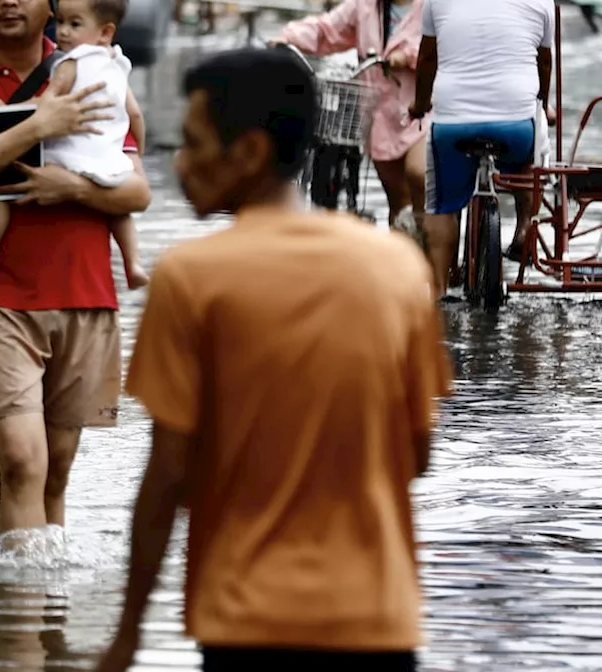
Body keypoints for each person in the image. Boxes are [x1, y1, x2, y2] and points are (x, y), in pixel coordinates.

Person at [96, 48, 453, 672]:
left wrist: (126, 636)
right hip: (377, 618)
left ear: (252, 153)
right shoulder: (396, 267)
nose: (179, 164)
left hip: (246, 618)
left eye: (194, 144)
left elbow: (168, 475)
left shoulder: (192, 278)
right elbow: (417, 454)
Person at [0, 0, 152, 536]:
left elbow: (137, 190)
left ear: (52, 7)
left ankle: (44, 613)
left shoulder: (91, 62)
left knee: (57, 471)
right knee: (24, 463)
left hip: (88, 295)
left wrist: (70, 187)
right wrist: (36, 127)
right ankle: (21, 605)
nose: (9, 2)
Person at [0, 0, 150, 290]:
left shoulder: (70, 62)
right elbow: (135, 115)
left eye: (75, 24)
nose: (64, 33)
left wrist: (0, 109)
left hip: (67, 152)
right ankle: (133, 263)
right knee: (119, 210)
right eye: (63, 23)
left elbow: (44, 105)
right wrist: (134, 154)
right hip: (104, 154)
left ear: (105, 32)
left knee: (4, 186)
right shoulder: (118, 63)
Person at [409, 0, 556, 297]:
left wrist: (420, 104)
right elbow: (544, 62)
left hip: (453, 125)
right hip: (516, 126)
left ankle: (439, 287)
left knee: (440, 207)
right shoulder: (542, 1)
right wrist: (543, 102)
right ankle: (525, 227)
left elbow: (426, 59)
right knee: (529, 157)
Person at [271, 0, 430, 235]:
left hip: (423, 111)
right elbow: (326, 29)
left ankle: (438, 257)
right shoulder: (365, 6)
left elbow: (444, 48)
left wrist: (408, 56)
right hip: (382, 116)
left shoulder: (431, 5)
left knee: (420, 180)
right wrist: (287, 38)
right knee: (397, 201)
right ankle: (406, 263)